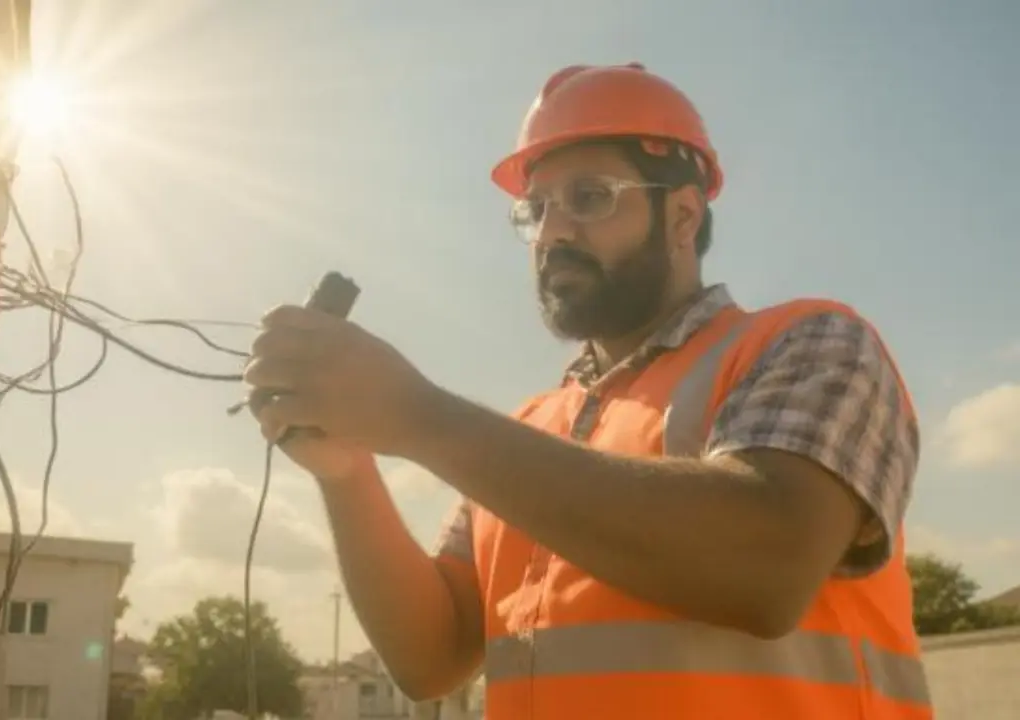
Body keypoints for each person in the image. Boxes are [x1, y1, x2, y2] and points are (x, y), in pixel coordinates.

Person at [244, 63, 931, 719]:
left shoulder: (811, 343)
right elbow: (432, 659)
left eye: (591, 198)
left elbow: (769, 568)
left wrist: (419, 418)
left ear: (684, 217)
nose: (553, 232)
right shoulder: (530, 430)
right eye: (536, 209)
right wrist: (348, 471)